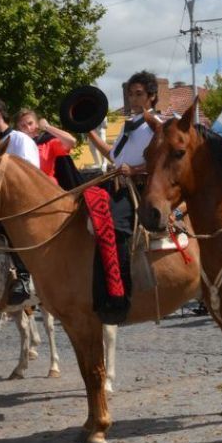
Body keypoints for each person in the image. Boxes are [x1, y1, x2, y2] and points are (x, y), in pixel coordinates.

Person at [84, 70, 164, 323]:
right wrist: (90, 133)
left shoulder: (158, 125)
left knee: (115, 226)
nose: (133, 99)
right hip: (115, 182)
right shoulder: (129, 126)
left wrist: (135, 170)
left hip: (139, 187)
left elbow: (163, 161)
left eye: (139, 94)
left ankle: (121, 296)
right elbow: (115, 156)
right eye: (130, 94)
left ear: (152, 96)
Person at [0, 95, 40, 304]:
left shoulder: (21, 140)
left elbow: (30, 174)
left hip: (22, 204)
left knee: (6, 226)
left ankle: (23, 277)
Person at [14, 108, 80, 188]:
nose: (28, 128)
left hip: (50, 189)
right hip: (29, 190)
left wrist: (47, 127)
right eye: (23, 126)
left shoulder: (47, 142)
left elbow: (71, 141)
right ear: (19, 129)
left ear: (37, 124)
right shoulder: (17, 147)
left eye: (30, 123)